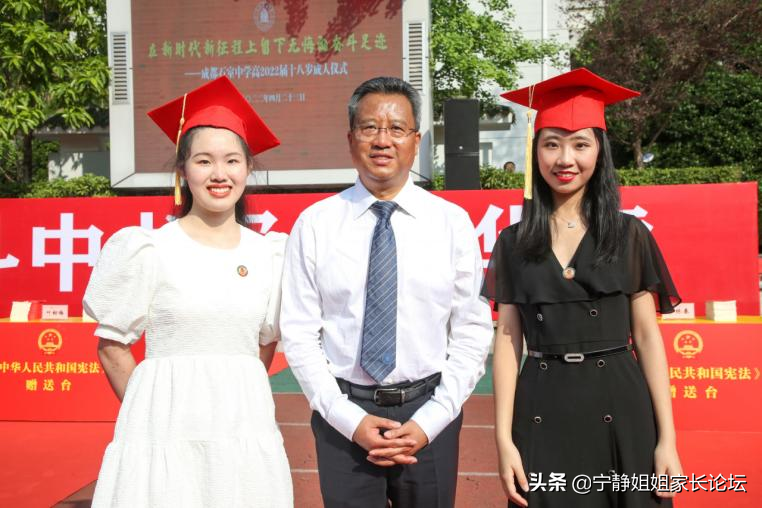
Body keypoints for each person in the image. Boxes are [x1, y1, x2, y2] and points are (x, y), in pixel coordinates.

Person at [280, 76, 494, 508]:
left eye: (397, 128)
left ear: (416, 141)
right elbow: (299, 332)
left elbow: (472, 330)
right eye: (369, 127)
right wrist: (347, 419)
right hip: (344, 418)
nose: (382, 140)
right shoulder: (316, 224)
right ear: (350, 139)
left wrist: (433, 418)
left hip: (429, 414)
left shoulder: (451, 223)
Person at [83, 76, 293, 507]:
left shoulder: (270, 254)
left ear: (248, 168)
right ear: (182, 170)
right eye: (203, 161)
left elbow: (264, 344)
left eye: (232, 161)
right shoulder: (149, 249)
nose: (219, 174)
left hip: (241, 433)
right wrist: (150, 415)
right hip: (163, 434)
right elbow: (112, 346)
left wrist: (233, 395)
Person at [482, 68, 683, 507]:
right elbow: (508, 342)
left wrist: (667, 439)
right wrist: (503, 440)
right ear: (535, 151)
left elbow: (647, 337)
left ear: (599, 152)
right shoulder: (514, 243)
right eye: (551, 144)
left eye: (580, 144)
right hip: (542, 407)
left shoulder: (629, 234)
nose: (565, 159)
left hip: (621, 407)